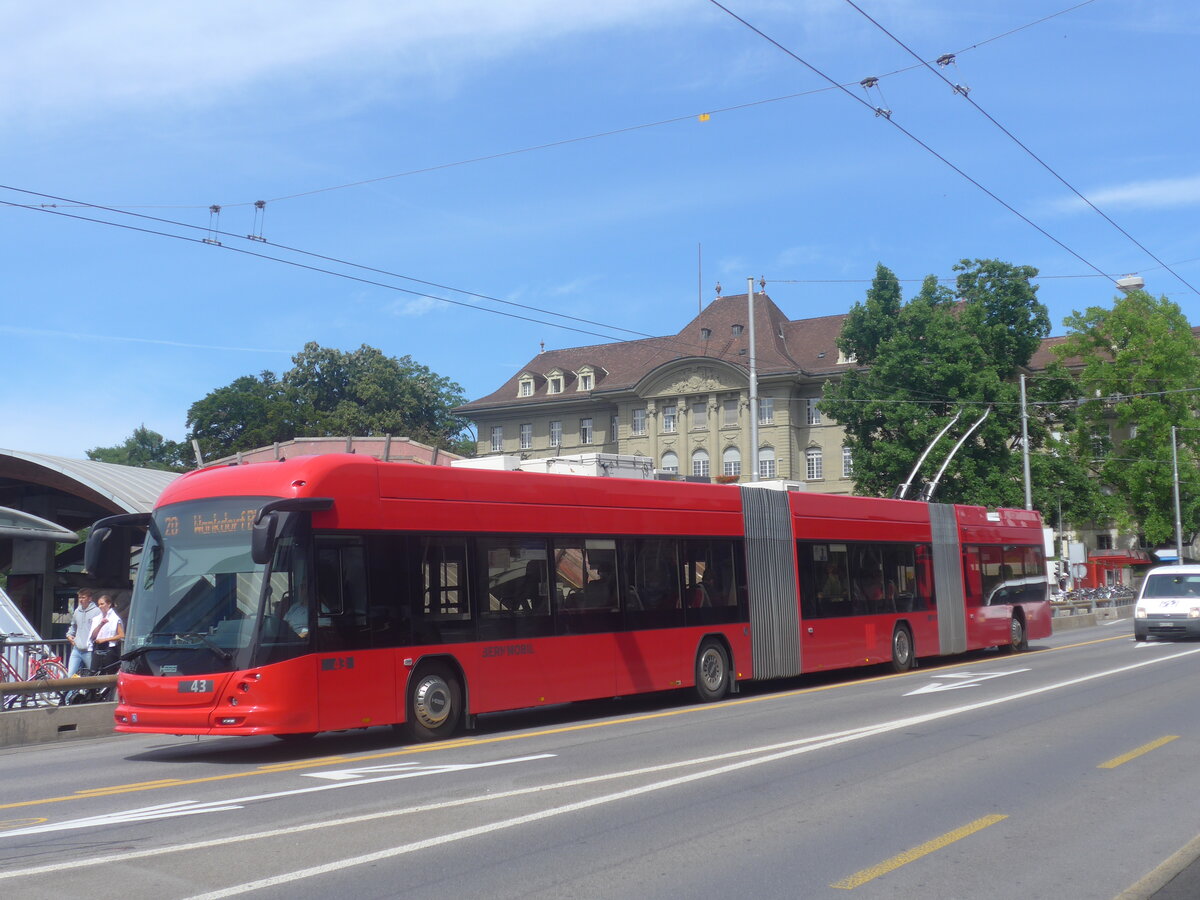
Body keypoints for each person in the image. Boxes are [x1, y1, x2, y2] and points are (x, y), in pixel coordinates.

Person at [64, 588, 101, 677]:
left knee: (93, 675)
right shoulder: (77, 611)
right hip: (76, 649)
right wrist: (69, 635)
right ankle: (71, 691)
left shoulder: (97, 611)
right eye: (79, 597)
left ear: (90, 598)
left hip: (89, 650)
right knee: (70, 675)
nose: (81, 600)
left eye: (83, 597)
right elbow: (73, 626)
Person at [89, 594, 125, 673]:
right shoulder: (97, 618)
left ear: (108, 604)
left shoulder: (115, 618)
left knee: (109, 671)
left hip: (109, 648)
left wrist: (105, 639)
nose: (100, 606)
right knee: (94, 672)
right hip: (98, 647)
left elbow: (121, 635)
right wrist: (101, 624)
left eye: (102, 604)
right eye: (99, 604)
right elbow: (93, 635)